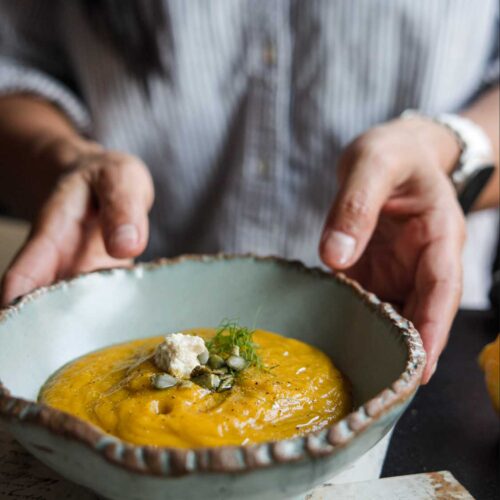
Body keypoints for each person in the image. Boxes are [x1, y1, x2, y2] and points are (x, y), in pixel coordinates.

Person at [0, 1, 498, 385]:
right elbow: (13, 64)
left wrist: (453, 151)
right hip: (107, 318)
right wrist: (63, 161)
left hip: (421, 324)